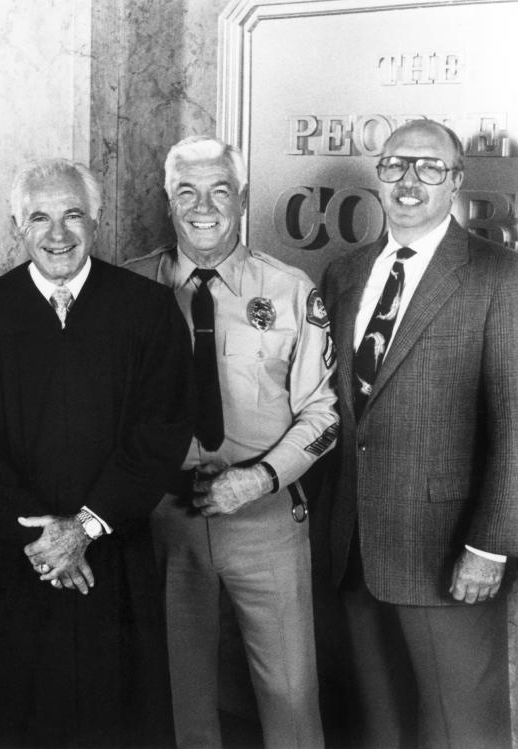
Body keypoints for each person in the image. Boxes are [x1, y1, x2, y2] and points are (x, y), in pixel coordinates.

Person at [0, 157, 193, 748]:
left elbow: (161, 430)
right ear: (17, 227)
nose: (58, 234)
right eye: (39, 218)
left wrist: (84, 526)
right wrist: (42, 539)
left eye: (73, 215)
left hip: (112, 552)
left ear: (97, 220)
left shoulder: (147, 309)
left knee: (118, 718)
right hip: (16, 559)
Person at [125, 135, 337, 748]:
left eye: (220, 189)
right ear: (168, 201)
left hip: (265, 516)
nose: (203, 205)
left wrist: (260, 479)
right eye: (186, 190)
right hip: (166, 518)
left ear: (242, 198)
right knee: (181, 697)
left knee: (290, 696)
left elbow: (323, 416)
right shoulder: (128, 289)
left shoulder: (291, 290)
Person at [321, 118, 518, 748]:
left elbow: (517, 423)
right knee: (381, 726)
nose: (410, 181)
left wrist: (490, 547)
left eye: (430, 167)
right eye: (396, 164)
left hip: (449, 550)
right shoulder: (344, 273)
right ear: (377, 175)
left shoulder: (500, 276)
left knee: (463, 728)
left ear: (456, 180)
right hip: (353, 546)